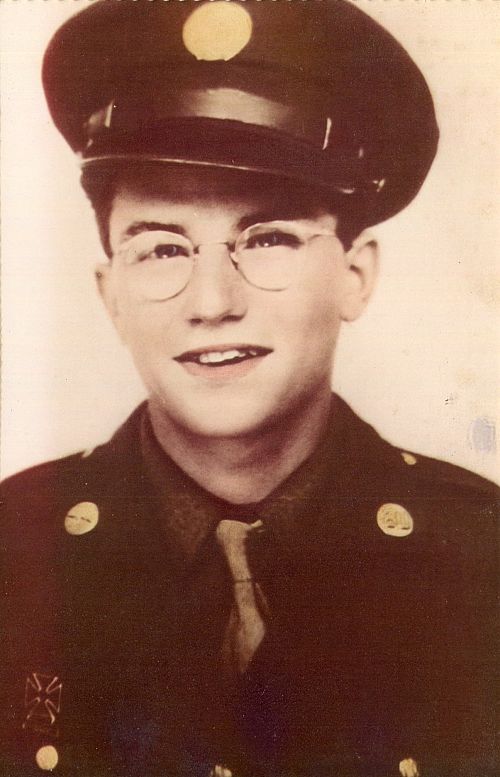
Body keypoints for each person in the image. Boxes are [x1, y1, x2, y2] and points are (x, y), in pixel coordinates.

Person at [1, 2, 497, 776]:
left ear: (356, 275)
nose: (212, 302)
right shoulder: (15, 554)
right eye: (163, 248)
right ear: (111, 295)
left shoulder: (479, 560)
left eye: (267, 239)